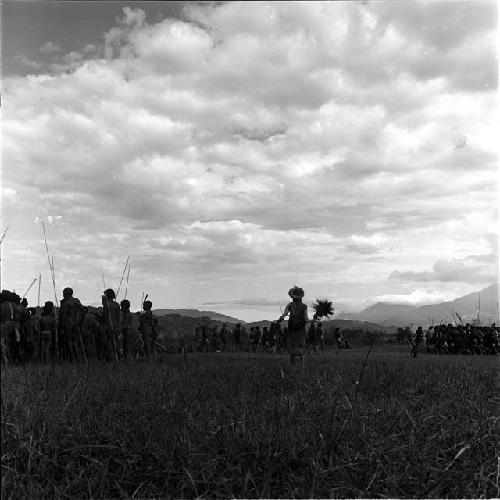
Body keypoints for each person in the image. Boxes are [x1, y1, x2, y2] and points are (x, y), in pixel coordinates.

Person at [277, 286, 310, 366]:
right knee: (299, 344)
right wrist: (312, 320)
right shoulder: (303, 306)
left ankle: (293, 364)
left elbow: (284, 315)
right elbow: (306, 319)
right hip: (298, 328)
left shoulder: (290, 305)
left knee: (294, 345)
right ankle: (301, 365)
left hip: (294, 328)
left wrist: (280, 319)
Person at [59, 287, 86, 362]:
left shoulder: (66, 302)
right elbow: (84, 310)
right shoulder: (76, 301)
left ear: (67, 293)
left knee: (69, 342)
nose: (63, 295)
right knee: (75, 342)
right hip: (76, 324)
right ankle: (78, 358)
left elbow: (63, 315)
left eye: (64, 293)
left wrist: (61, 327)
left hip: (68, 323)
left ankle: (73, 359)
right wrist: (81, 321)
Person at [102, 289, 121, 361]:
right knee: (116, 343)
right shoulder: (117, 304)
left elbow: (104, 316)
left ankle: (110, 358)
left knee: (108, 342)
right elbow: (119, 316)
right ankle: (118, 357)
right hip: (116, 325)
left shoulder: (106, 304)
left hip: (108, 325)